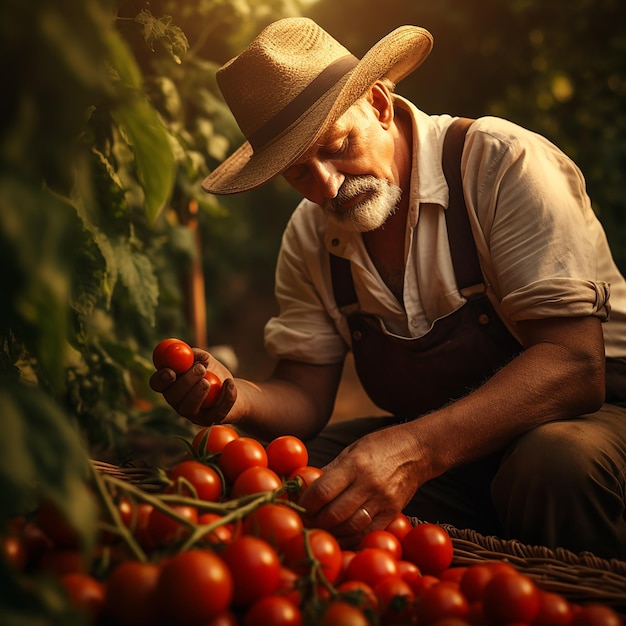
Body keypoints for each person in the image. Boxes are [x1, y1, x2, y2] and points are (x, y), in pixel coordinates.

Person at [150, 17, 626, 558]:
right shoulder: (309, 238)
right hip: (451, 444)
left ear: (377, 103)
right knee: (283, 475)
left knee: (555, 463)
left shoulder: (500, 164)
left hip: (594, 415)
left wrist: (415, 448)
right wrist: (235, 397)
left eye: (336, 146)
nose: (327, 186)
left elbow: (575, 365)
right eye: (300, 174)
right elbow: (305, 396)